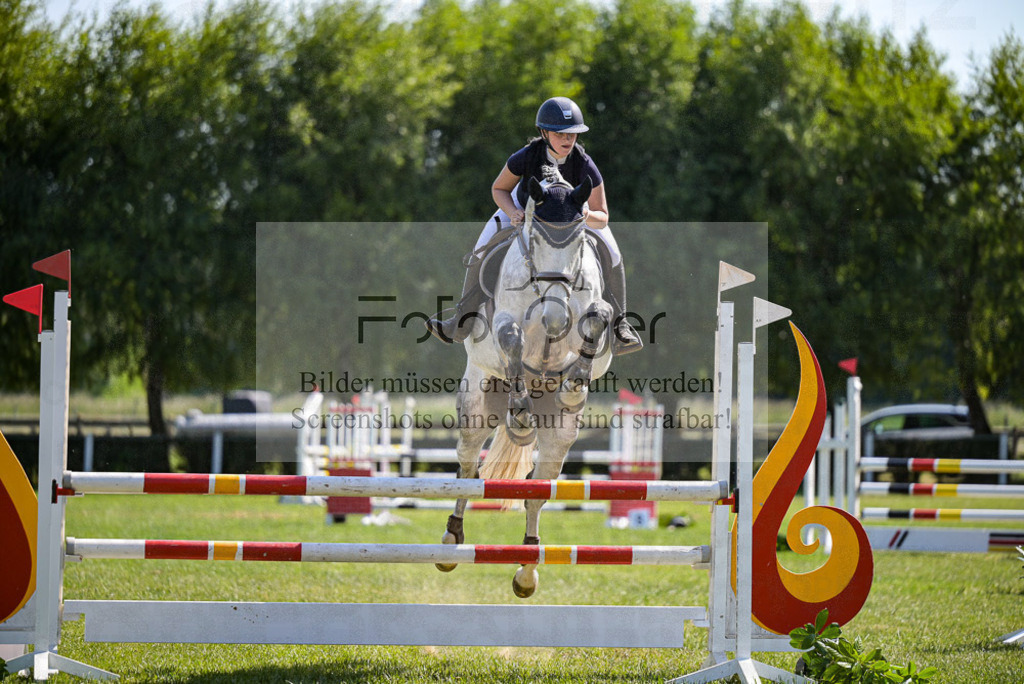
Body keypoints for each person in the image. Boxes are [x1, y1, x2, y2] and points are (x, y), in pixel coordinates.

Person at [426, 96, 642, 355]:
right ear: (544, 133)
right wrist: (512, 211)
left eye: (572, 134)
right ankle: (460, 323)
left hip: (571, 220)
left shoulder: (584, 163)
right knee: (481, 248)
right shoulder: (527, 156)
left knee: (614, 253)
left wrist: (585, 215)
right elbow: (499, 188)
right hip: (523, 211)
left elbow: (603, 215)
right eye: (560, 133)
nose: (567, 139)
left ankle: (621, 326)